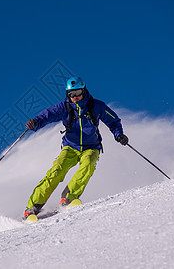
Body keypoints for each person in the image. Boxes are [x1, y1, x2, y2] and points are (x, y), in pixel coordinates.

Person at [23, 77, 128, 220]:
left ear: (84, 90)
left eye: (78, 92)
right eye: (71, 94)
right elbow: (47, 115)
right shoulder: (64, 107)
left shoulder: (96, 106)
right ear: (67, 94)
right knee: (57, 171)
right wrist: (35, 122)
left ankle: (67, 199)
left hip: (91, 147)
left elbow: (113, 121)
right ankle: (32, 208)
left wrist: (119, 135)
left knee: (88, 166)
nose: (75, 97)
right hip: (70, 147)